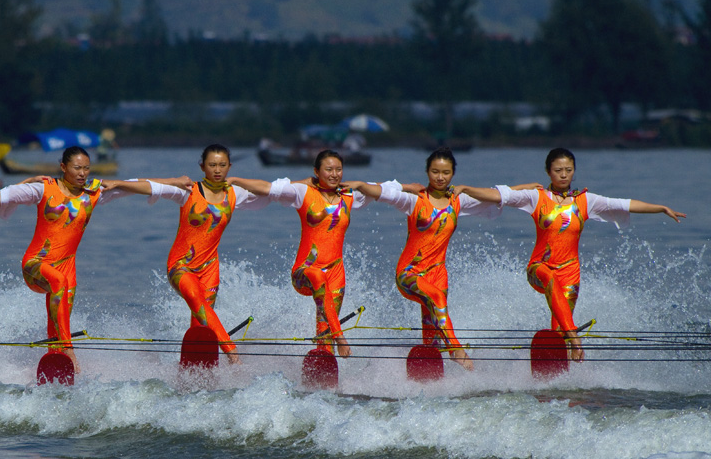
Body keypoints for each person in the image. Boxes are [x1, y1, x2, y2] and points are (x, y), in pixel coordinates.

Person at [456, 147, 686, 362]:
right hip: (540, 269)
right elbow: (498, 196)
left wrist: (660, 208)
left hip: (570, 274)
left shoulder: (585, 200)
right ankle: (575, 339)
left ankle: (564, 365)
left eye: (568, 170)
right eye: (558, 170)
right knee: (552, 284)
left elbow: (623, 204)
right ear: (548, 171)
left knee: (559, 332)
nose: (564, 175)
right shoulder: (536, 198)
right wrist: (466, 189)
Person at [0, 146, 150, 373]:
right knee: (57, 283)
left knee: (58, 319)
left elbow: (138, 185)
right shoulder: (43, 188)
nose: (82, 173)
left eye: (86, 168)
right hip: (36, 265)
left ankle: (54, 357)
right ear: (63, 167)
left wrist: (174, 182)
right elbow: (1, 196)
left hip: (68, 270)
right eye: (77, 168)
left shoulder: (94, 192)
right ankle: (68, 349)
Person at [349, 148, 510, 371]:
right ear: (427, 172)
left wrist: (468, 189)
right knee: (434, 298)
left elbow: (499, 197)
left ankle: (430, 365)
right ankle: (456, 349)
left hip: (438, 275)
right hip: (410, 273)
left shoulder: (458, 201)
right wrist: (358, 184)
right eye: (435, 171)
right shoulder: (414, 200)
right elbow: (380, 192)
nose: (440, 177)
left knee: (432, 321)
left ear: (453, 174)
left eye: (446, 172)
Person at [116, 144, 270, 365]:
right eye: (212, 165)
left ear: (229, 167)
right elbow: (150, 187)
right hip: (181, 267)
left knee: (201, 326)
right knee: (200, 304)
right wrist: (115, 183)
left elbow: (274, 190)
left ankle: (193, 372)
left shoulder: (234, 193)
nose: (217, 170)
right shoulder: (187, 190)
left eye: (222, 165)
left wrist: (320, 186)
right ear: (202, 166)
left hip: (210, 269)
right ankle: (232, 353)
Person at [229, 149, 383, 357]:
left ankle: (324, 370)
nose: (334, 174)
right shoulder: (303, 192)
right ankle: (340, 338)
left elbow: (386, 192)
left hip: (336, 274)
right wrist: (234, 180)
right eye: (328, 169)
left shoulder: (349, 196)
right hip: (305, 272)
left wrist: (363, 185)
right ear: (316, 172)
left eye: (339, 169)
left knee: (324, 329)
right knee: (319, 280)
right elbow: (267, 188)